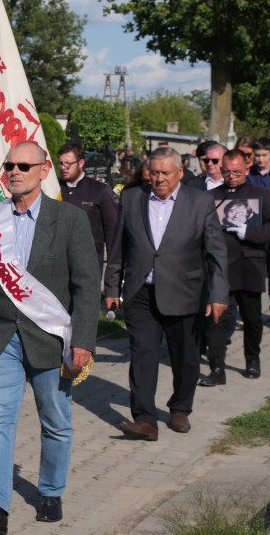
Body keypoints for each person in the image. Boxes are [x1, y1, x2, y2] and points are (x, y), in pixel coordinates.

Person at [0, 141, 99, 534]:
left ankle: (51, 492)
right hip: (0, 336)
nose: (14, 171)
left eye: (23, 165)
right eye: (9, 165)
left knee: (54, 418)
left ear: (43, 169)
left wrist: (84, 339)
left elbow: (87, 285)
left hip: (51, 339)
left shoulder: (69, 219)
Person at [104, 147, 228, 440]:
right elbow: (119, 246)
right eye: (154, 172)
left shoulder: (201, 202)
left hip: (186, 293)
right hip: (141, 293)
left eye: (165, 173)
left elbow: (216, 252)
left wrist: (218, 294)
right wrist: (112, 287)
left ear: (180, 172)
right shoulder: (133, 198)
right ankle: (145, 419)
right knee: (143, 354)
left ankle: (180, 408)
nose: (159, 179)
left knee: (185, 357)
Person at [202, 149, 270, 384]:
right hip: (220, 266)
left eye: (237, 172)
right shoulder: (210, 196)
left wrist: (250, 232)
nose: (232, 176)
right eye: (228, 172)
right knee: (217, 318)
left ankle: (252, 359)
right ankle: (217, 368)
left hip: (249, 263)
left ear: (246, 170)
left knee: (252, 318)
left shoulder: (262, 194)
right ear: (221, 171)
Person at [56, 142, 118, 281]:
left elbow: (112, 234)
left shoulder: (100, 191)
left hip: (88, 268)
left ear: (81, 163)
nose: (63, 168)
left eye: (68, 163)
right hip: (58, 269)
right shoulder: (54, 190)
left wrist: (113, 278)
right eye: (60, 163)